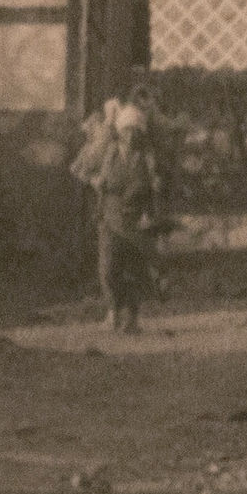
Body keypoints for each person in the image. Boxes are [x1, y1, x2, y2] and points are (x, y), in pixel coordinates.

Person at [94, 102, 156, 332]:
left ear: (140, 134)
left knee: (134, 270)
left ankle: (132, 316)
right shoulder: (108, 154)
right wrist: (97, 186)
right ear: (120, 132)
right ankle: (113, 310)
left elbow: (152, 191)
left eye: (135, 131)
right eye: (126, 130)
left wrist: (149, 216)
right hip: (110, 218)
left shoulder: (145, 159)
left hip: (135, 220)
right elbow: (89, 173)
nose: (130, 136)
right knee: (108, 269)